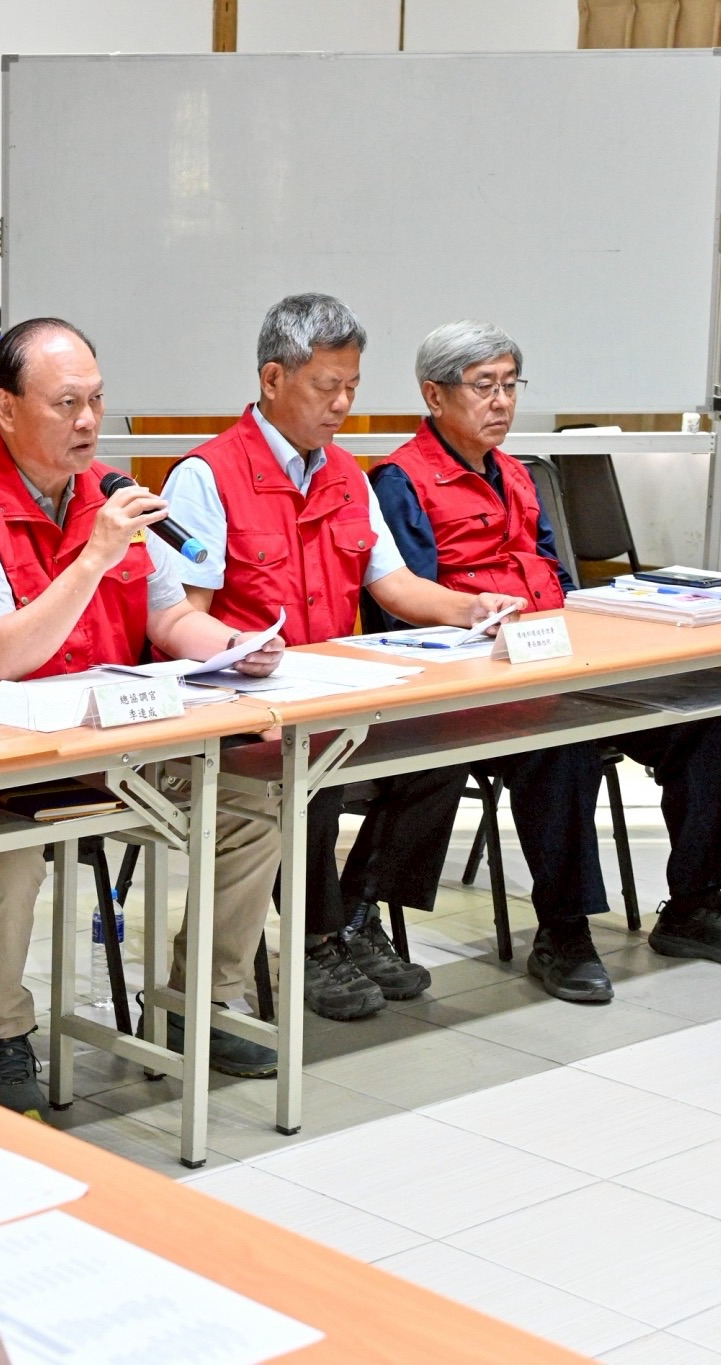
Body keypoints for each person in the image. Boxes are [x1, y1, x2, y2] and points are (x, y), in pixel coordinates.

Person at [0, 317, 290, 1108]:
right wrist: (94, 557)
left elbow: (167, 617)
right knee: (9, 855)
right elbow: (1, 656)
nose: (88, 421)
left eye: (97, 400)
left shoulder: (111, 495)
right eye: (66, 403)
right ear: (5, 408)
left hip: (115, 746)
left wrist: (232, 645)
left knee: (252, 805)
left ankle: (197, 1000)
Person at [367, 319, 721, 1001]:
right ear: (435, 395)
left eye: (511, 385)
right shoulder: (401, 481)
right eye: (484, 386)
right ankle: (562, 933)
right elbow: (404, 614)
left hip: (562, 661)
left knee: (703, 717)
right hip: (482, 687)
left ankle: (696, 905)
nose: (501, 401)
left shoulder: (517, 473)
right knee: (561, 739)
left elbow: (554, 580)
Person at [157, 294, 524, 1025]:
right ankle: (316, 940)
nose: (343, 405)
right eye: (328, 387)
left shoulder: (347, 474)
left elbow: (394, 584)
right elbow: (180, 617)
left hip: (331, 691)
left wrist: (472, 608)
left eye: (352, 386)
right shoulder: (206, 476)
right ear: (273, 379)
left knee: (442, 745)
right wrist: (237, 652)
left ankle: (356, 914)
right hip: (245, 706)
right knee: (307, 768)